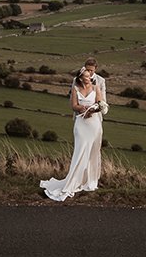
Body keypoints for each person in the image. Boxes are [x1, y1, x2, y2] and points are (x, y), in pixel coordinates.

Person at [39, 66, 108, 201]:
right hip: (81, 124)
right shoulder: (75, 89)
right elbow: (74, 106)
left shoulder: (95, 88)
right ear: (80, 78)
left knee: (92, 152)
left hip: (94, 124)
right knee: (80, 152)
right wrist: (82, 108)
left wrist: (93, 110)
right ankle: (74, 180)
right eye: (86, 77)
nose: (89, 79)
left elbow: (100, 104)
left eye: (90, 76)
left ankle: (89, 181)